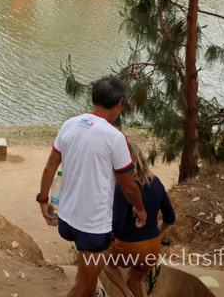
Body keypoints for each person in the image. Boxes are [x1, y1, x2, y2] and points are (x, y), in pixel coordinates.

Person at [38, 76, 147, 297]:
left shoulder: (70, 124)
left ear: (93, 98)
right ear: (120, 103)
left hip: (67, 219)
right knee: (83, 283)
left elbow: (50, 168)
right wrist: (141, 209)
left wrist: (43, 200)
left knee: (89, 279)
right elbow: (128, 186)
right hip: (92, 226)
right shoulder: (115, 138)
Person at [102, 142, 175, 297]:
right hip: (154, 246)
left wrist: (104, 237)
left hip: (130, 246)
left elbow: (118, 225)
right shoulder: (156, 182)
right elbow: (170, 217)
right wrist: (156, 232)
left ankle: (127, 294)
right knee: (134, 280)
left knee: (103, 260)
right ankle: (131, 291)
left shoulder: (123, 186)